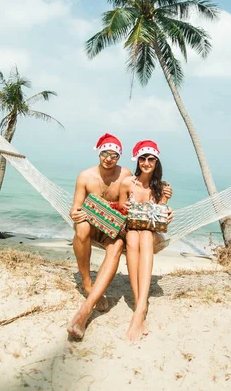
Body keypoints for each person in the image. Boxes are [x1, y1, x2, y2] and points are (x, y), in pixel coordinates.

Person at [67, 133, 172, 340]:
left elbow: (156, 211)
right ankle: (88, 284)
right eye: (105, 153)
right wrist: (75, 212)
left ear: (120, 157)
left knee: (122, 243)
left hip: (118, 230)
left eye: (114, 155)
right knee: (82, 228)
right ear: (99, 152)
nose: (109, 158)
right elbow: (76, 207)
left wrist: (167, 211)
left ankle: (87, 310)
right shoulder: (86, 177)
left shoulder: (125, 176)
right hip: (99, 224)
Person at [118, 139, 172, 342]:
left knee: (146, 235)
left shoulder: (163, 187)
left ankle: (139, 309)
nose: (147, 162)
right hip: (131, 231)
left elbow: (159, 218)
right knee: (133, 235)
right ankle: (141, 306)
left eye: (151, 159)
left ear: (156, 161)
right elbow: (121, 212)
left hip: (151, 233)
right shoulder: (127, 183)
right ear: (138, 160)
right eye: (143, 158)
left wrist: (167, 209)